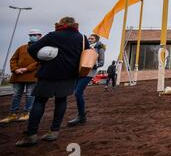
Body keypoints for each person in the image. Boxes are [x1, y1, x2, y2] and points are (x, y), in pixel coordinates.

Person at [16, 17, 89, 147]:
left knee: (40, 101)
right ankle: (54, 132)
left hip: (49, 72)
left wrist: (43, 59)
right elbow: (87, 53)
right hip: (69, 74)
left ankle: (31, 135)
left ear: (62, 24)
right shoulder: (82, 37)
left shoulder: (54, 35)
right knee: (61, 101)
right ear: (75, 25)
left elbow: (32, 49)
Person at [0, 29, 41, 124]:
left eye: (35, 35)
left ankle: (27, 113)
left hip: (32, 75)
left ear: (40, 36)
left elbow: (39, 62)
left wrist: (27, 69)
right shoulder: (21, 48)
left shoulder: (41, 49)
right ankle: (12, 114)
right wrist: (15, 69)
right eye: (31, 35)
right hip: (18, 75)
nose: (32, 36)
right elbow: (13, 59)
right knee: (16, 95)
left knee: (30, 95)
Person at [68, 34, 105, 127]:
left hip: (89, 73)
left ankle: (81, 116)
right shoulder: (84, 46)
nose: (90, 40)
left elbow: (101, 62)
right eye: (89, 38)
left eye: (92, 38)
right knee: (76, 92)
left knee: (78, 93)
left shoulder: (100, 48)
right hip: (79, 71)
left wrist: (92, 63)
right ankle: (81, 115)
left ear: (96, 40)